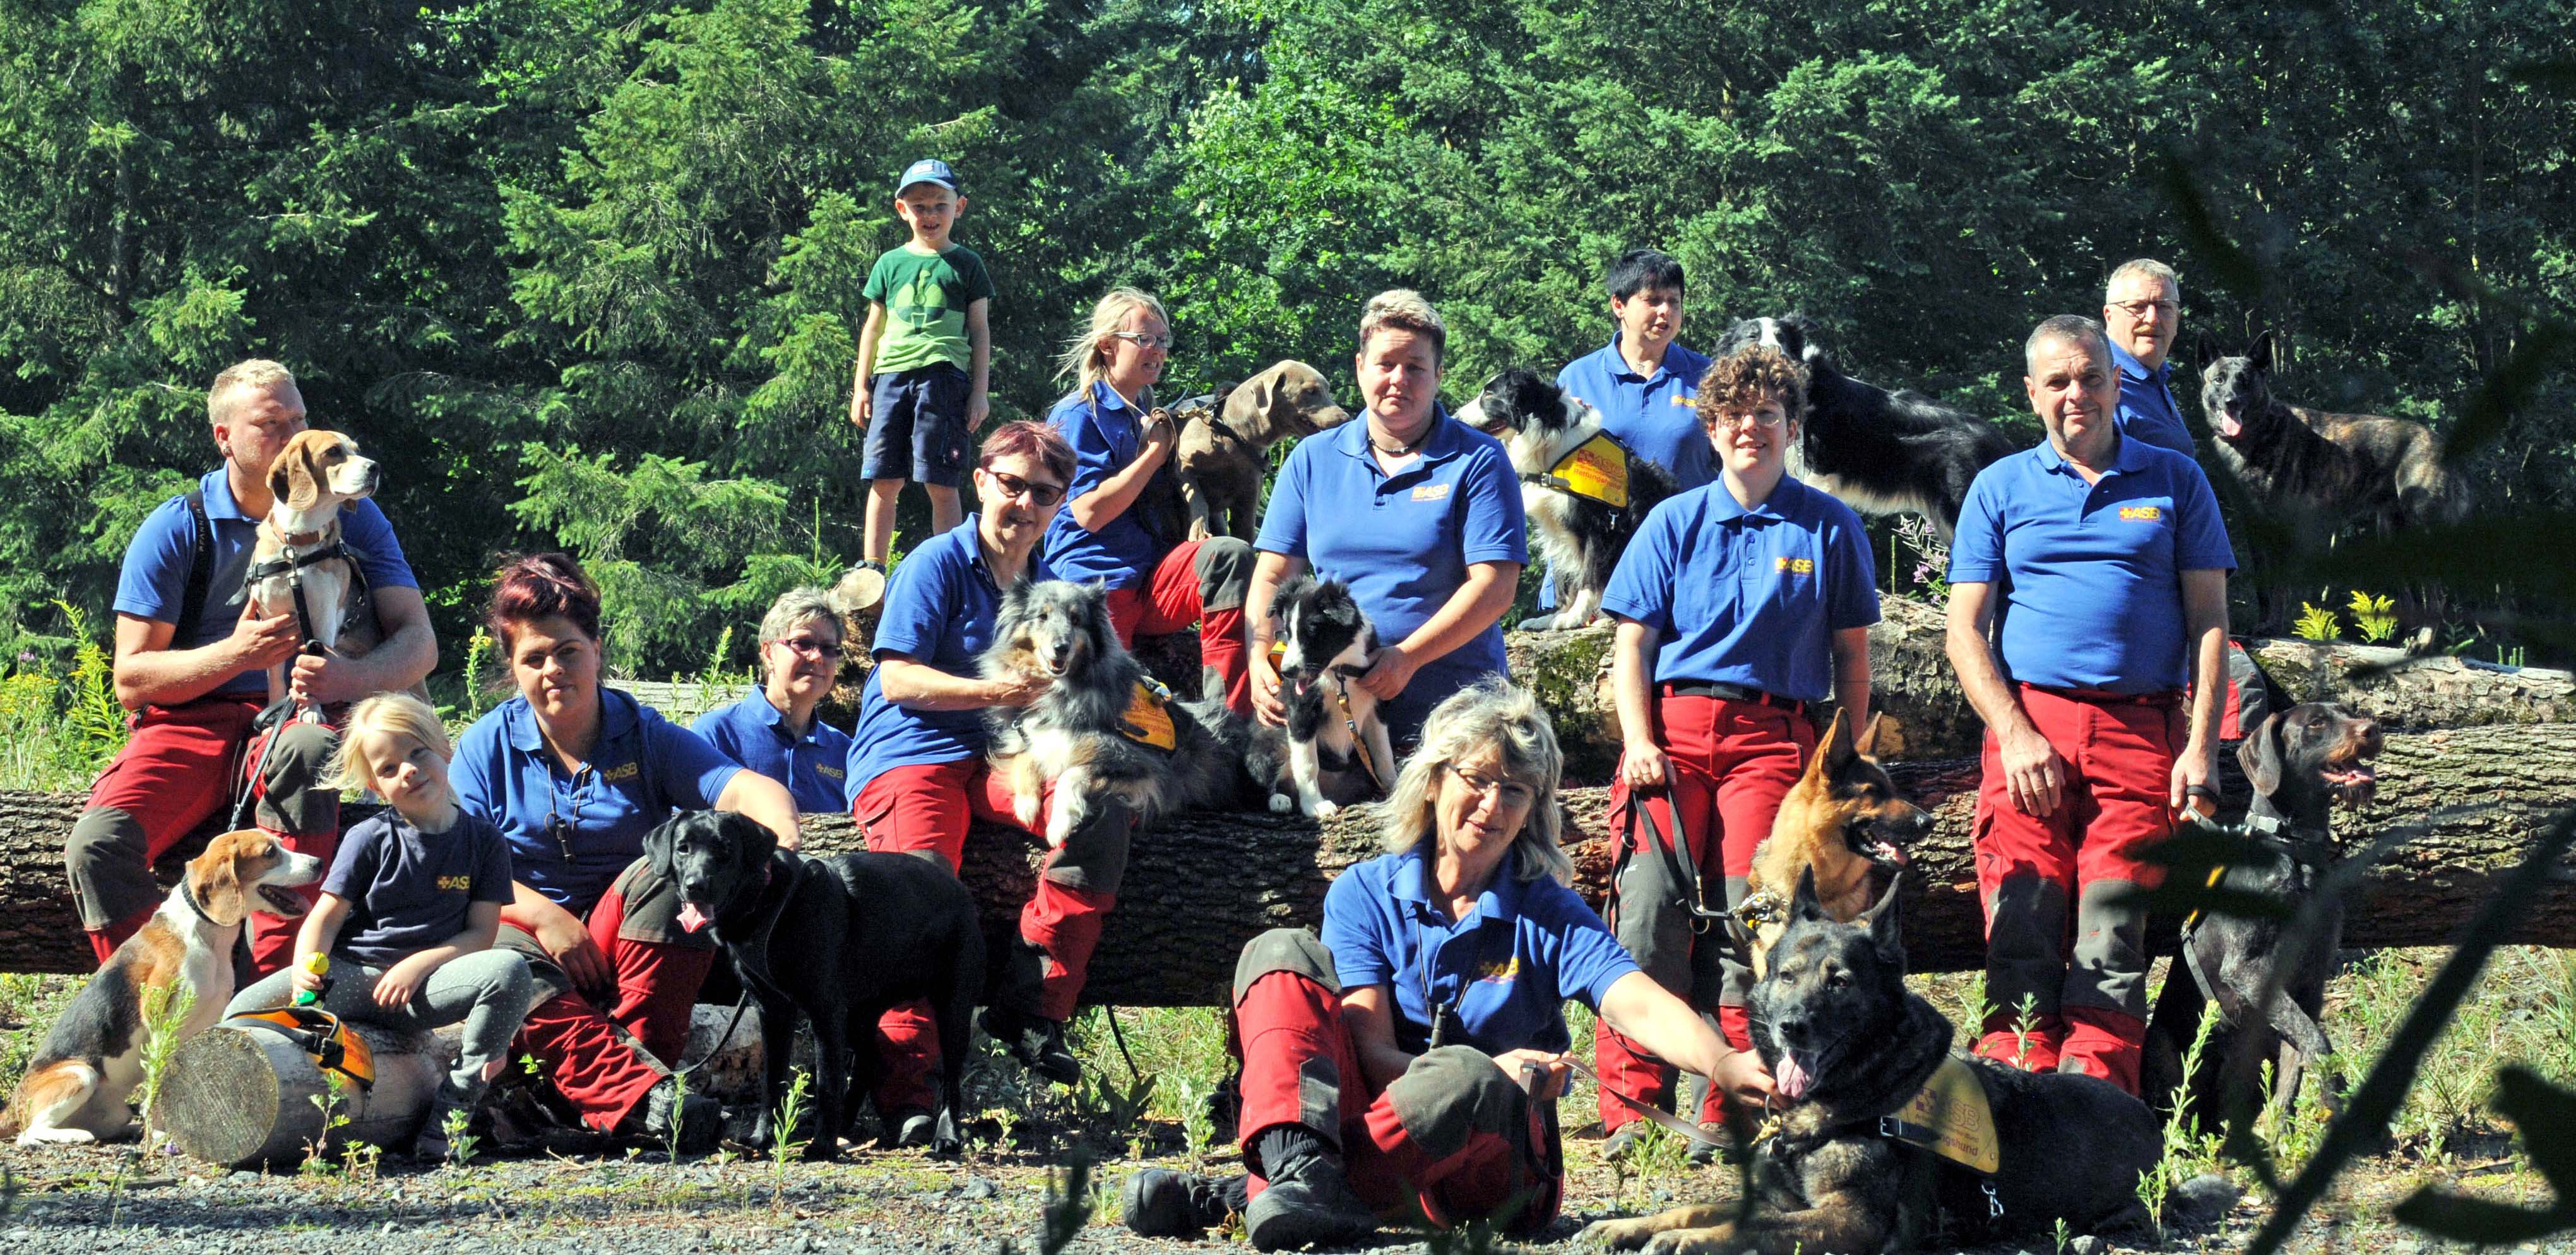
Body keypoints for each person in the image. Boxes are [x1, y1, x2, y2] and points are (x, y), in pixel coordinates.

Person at [1119, 682, 1774, 1251]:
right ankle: (1295, 1177)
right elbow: (1370, 1051)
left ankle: (1243, 1196)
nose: (1493, 806)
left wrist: (1720, 1062)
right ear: (1433, 780)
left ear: (1533, 810)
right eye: (1478, 779)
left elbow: (1634, 999)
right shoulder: (1364, 891)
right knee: (1278, 951)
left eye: (1515, 790)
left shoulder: (1545, 907)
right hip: (1388, 1127)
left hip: (1495, 1174)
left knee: (1467, 1075)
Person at [1591, 344, 1879, 1160]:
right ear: (1710, 427)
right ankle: (1634, 1108)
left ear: (1790, 426)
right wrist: (1638, 739)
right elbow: (1632, 649)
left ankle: (1729, 1102)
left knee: (1752, 919)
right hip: (1672, 735)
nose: (1750, 428)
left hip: (1773, 739)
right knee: (1646, 908)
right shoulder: (1671, 523)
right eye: (1734, 415)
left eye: (1767, 415)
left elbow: (1852, 658)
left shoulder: (1829, 526)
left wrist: (1843, 764)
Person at [64, 359, 437, 970]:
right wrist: (239, 652)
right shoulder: (179, 525)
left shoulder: (353, 514)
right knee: (99, 845)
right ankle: (157, 1001)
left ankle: (267, 1001)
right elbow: (131, 679)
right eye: (270, 424)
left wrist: (350, 677)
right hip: (193, 720)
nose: (292, 438)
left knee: (310, 749)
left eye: (300, 420)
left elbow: (419, 643)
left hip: (304, 711)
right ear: (224, 437)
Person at [1945, 315, 2234, 1095]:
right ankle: (2013, 1095)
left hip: (2140, 730)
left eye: (2091, 377)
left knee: (2111, 928)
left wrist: (2200, 746)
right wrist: (2014, 732)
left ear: (2115, 381)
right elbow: (1965, 634)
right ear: (2033, 392)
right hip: (2029, 730)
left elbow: (2210, 623)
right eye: (2059, 381)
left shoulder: (2175, 480)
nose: (2078, 394)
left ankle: (2098, 1104)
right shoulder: (1998, 487)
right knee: (2022, 917)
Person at [451, 554, 800, 1150]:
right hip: (521, 929)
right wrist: (545, 917)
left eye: (567, 651)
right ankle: (650, 1102)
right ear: (512, 668)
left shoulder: (642, 733)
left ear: (597, 650)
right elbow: (461, 868)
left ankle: (621, 1089)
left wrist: (782, 848)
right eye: (533, 659)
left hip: (630, 936)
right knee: (505, 966)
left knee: (676, 877)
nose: (553, 669)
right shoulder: (484, 749)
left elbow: (746, 788)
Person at [845, 420, 1111, 1113]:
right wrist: (1000, 690)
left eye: (1043, 493)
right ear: (983, 481)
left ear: (1061, 503)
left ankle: (1032, 1000)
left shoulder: (1048, 585)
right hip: (913, 752)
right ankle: (910, 1093)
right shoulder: (934, 561)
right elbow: (899, 681)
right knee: (918, 895)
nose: (1024, 503)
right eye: (1012, 484)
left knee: (1101, 804)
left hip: (1004, 754)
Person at [225, 693, 535, 1163]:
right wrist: (305, 968)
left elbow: (481, 935)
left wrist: (417, 966)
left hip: (427, 988)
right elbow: (325, 917)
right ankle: (236, 1113)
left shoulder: (483, 842)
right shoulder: (369, 838)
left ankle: (451, 1115)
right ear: (374, 784)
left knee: (510, 970)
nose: (407, 770)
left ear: (443, 749)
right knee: (240, 1013)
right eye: (389, 769)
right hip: (355, 977)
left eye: (416, 753)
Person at [1246, 290, 1528, 744]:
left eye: (1415, 367)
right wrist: (1261, 653)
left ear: (1438, 375)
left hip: (1457, 714)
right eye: (1385, 364)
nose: (1399, 379)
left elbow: (1495, 588)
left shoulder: (1479, 459)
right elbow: (1273, 576)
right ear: (1360, 368)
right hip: (1337, 717)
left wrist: (1407, 657)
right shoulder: (1311, 459)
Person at [1040, 287, 1256, 713]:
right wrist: (1154, 454)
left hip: (1151, 578)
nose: (1157, 350)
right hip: (1097, 584)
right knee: (1098, 712)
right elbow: (1088, 513)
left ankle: (1229, 722)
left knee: (1229, 556)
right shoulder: (1079, 414)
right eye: (1144, 340)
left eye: (1163, 340)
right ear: (1107, 345)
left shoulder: (1143, 407)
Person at [847, 158, 995, 572]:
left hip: (944, 377)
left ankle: (948, 565)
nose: (929, 215)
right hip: (891, 377)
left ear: (959, 207)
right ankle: (872, 567)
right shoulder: (889, 264)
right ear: (902, 210)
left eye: (939, 205)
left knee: (939, 478)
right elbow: (872, 330)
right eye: (919, 206)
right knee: (884, 477)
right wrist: (862, 387)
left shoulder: (967, 265)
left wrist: (979, 391)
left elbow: (979, 331)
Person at [1553, 248, 1716, 491]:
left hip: (1690, 526)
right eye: (1653, 300)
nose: (1666, 311)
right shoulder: (1577, 378)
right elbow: (1552, 468)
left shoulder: (1709, 375)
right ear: (1619, 305)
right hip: (1605, 527)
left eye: (1674, 301)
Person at [692, 588, 855, 814]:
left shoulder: (844, 752)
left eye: (829, 649)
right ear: (769, 654)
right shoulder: (718, 734)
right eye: (803, 643)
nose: (817, 657)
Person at [2103, 258, 2195, 455]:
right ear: (2109, 317)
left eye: (2164, 307)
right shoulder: (2101, 383)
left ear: (2177, 319)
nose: (2152, 319)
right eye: (2138, 306)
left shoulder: (2154, 377)